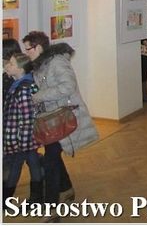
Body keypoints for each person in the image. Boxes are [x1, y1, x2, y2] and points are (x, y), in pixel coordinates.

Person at [23, 31, 99, 206]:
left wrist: (39, 96)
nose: (26, 53)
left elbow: (68, 87)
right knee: (53, 157)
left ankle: (51, 206)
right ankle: (66, 189)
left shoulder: (57, 62)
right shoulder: (40, 65)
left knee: (50, 161)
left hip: (62, 118)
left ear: (38, 47)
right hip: (51, 120)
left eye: (28, 49)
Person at [3, 53, 43, 205]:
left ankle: (5, 199)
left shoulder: (24, 88)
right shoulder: (17, 85)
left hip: (22, 139)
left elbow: (28, 118)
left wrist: (23, 142)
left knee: (15, 166)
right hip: (22, 138)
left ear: (20, 70)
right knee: (33, 163)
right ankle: (36, 198)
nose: (7, 66)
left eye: (11, 64)